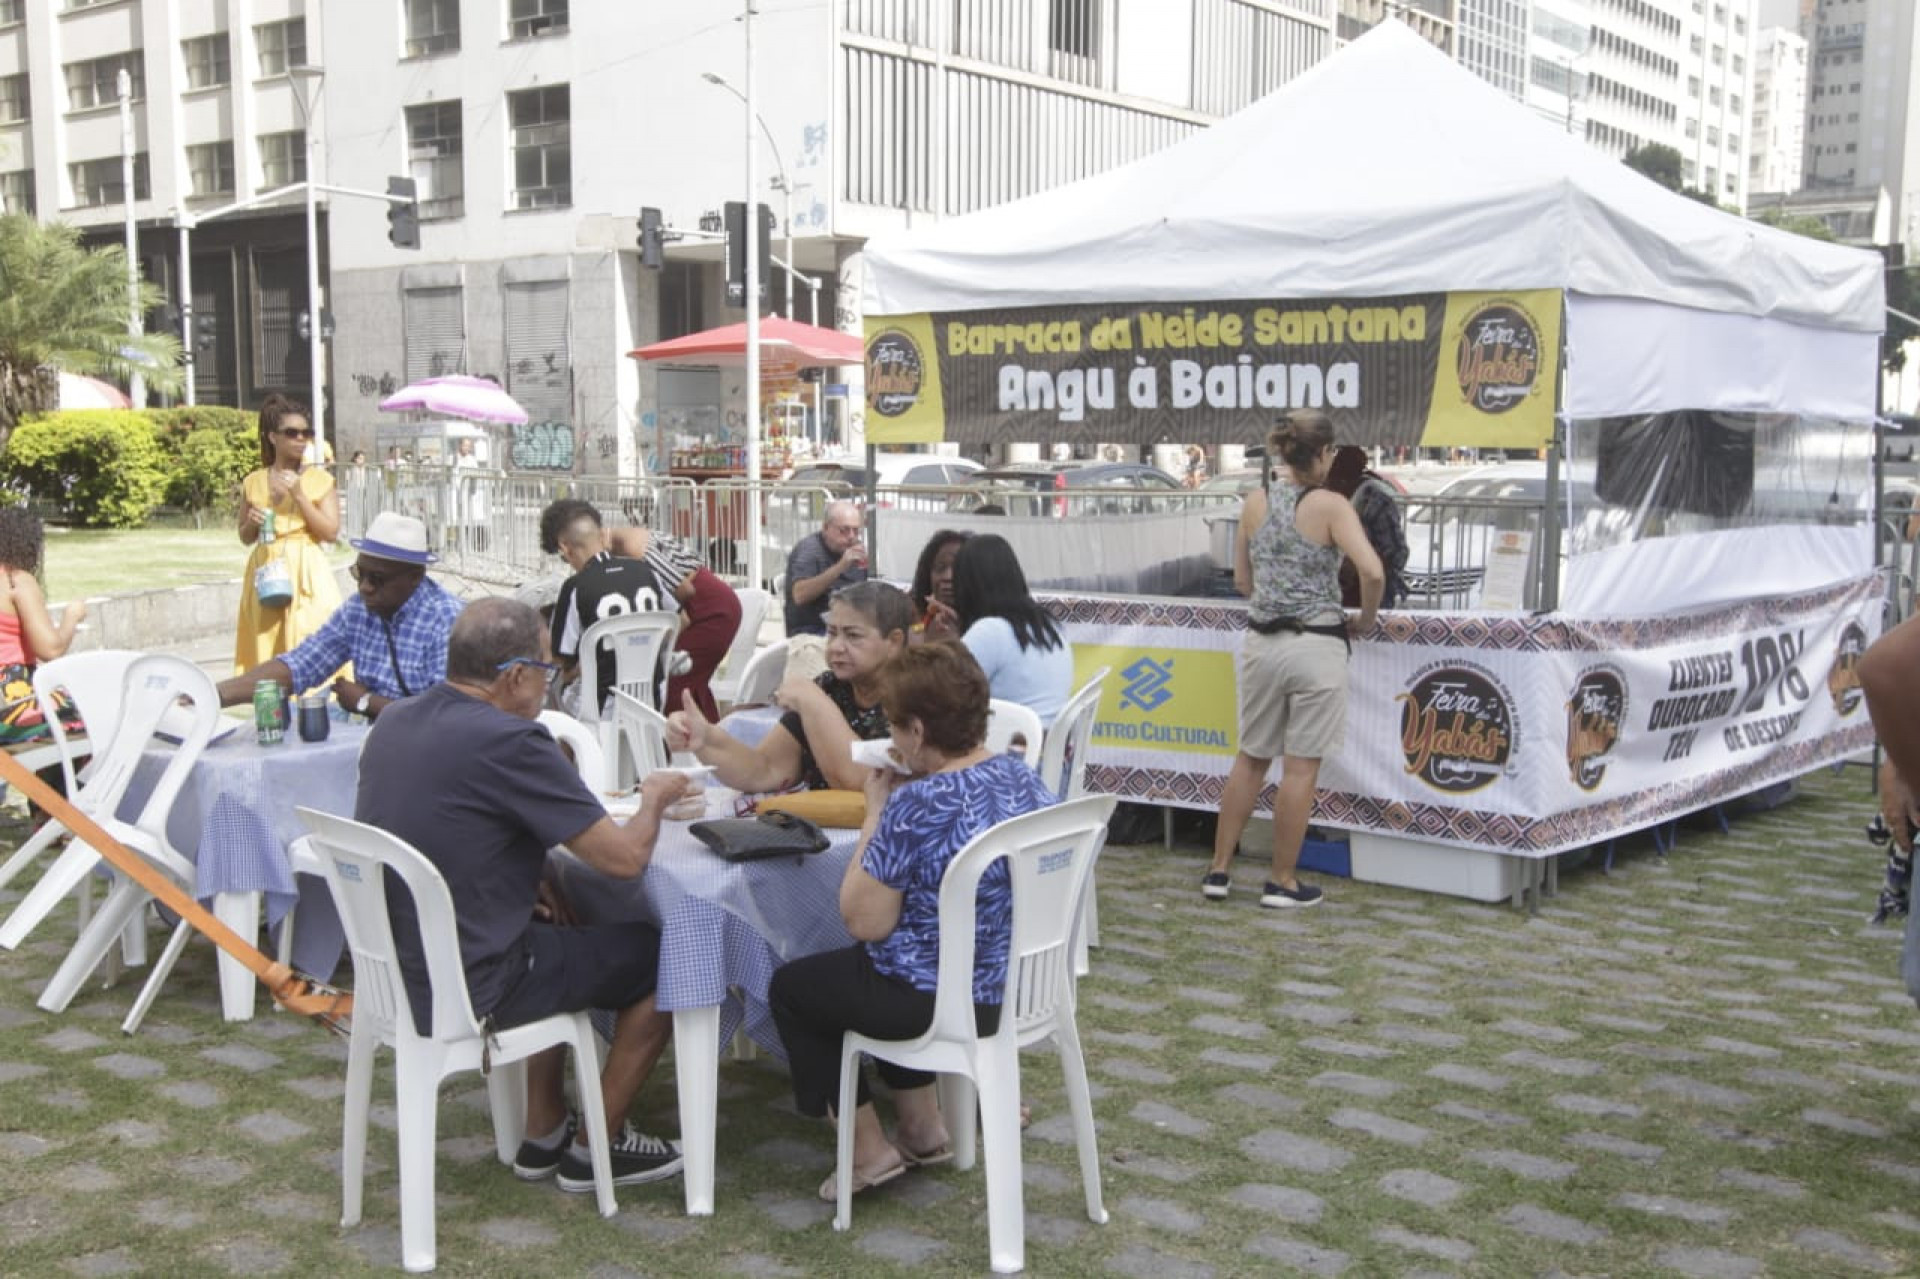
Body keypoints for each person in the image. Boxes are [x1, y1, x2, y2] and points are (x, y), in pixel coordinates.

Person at [356, 598, 690, 1190]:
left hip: (401, 974)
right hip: (476, 983)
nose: (550, 683)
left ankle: (543, 1129)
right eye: (546, 669)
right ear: (514, 676)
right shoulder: (511, 740)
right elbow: (624, 861)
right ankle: (599, 1147)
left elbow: (447, 821)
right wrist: (656, 797)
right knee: (672, 957)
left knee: (562, 924)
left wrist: (532, 870)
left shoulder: (396, 721)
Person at [767, 641, 1057, 1201]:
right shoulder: (1022, 778)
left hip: (935, 999)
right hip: (1008, 987)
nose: (893, 740)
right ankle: (923, 1129)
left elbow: (863, 921)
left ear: (918, 732)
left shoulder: (914, 804)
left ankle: (867, 1152)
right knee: (880, 967)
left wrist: (877, 812)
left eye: (895, 728)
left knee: (797, 988)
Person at [1202, 410, 1382, 909]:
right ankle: (1281, 879)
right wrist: (1365, 619)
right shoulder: (1331, 506)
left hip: (1262, 642)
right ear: (1324, 454)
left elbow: (1242, 582)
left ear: (1282, 452)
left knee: (1251, 756)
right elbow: (1370, 570)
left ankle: (1219, 869)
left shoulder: (1255, 502)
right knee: (1300, 767)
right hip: (1316, 642)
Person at [668, 581, 909, 794]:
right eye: (832, 633)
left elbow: (862, 782)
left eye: (853, 636)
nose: (836, 646)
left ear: (894, 642)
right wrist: (706, 738)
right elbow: (765, 769)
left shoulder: (915, 697)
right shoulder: (830, 688)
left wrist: (813, 703)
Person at [218, 512, 465, 719]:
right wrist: (214, 694)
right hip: (377, 744)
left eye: (377, 579)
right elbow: (302, 665)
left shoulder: (447, 621)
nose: (365, 587)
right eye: (359, 573)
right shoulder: (358, 609)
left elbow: (441, 717)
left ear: (415, 577)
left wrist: (366, 702)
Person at [233, 394, 342, 677]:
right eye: (291, 433)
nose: (300, 439)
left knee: (312, 639)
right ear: (273, 437)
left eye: (306, 433)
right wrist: (253, 523)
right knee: (268, 646)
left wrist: (300, 497)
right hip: (267, 569)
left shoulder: (320, 480)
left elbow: (330, 532)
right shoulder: (254, 481)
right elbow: (244, 536)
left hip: (307, 569)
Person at [925, 534, 1072, 726]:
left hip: (1005, 748)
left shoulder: (990, 632)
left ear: (969, 584)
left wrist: (936, 647)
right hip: (1046, 747)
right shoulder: (1048, 624)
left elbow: (936, 695)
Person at [543, 502, 669, 715]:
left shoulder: (575, 587)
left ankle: (571, 748)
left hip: (602, 704)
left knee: (553, 688)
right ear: (602, 535)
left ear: (564, 547)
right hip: (652, 698)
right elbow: (677, 621)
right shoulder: (645, 571)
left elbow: (561, 660)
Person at [0, 508, 85, 747]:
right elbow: (51, 650)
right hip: (13, 699)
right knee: (93, 716)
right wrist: (72, 616)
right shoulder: (16, 581)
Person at [1324, 445, 1409, 609]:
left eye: (1331, 481)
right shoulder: (1329, 498)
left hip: (1372, 594)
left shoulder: (1376, 501)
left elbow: (1398, 552)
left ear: (1343, 480)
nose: (1328, 486)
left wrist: (1359, 566)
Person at [784, 501, 868, 637]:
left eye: (856, 530)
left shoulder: (855, 550)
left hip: (847, 623)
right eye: (844, 530)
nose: (852, 536)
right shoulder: (810, 550)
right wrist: (840, 567)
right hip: (812, 629)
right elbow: (800, 595)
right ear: (826, 528)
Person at [907, 530, 969, 633]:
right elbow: (915, 632)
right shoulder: (920, 619)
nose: (948, 577)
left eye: (958, 568)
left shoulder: (984, 625)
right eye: (940, 568)